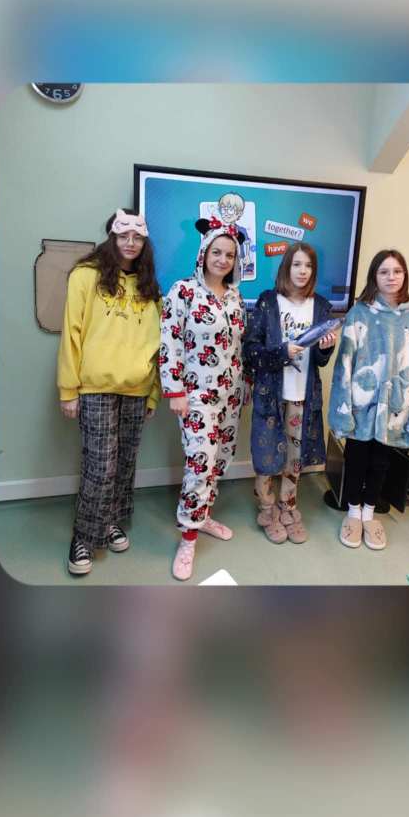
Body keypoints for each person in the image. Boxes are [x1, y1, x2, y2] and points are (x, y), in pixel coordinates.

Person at [58, 208, 162, 575]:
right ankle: (84, 536)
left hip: (137, 389)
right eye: (123, 235)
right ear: (112, 236)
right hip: (95, 387)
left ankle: (112, 520)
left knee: (125, 464)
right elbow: (71, 332)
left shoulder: (150, 287)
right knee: (100, 466)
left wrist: (153, 393)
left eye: (138, 237)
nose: (130, 242)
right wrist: (68, 390)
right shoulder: (86, 275)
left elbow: (157, 345)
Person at [328, 249, 409, 551]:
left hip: (396, 405)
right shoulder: (359, 313)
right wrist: (342, 408)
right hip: (362, 404)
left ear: (405, 275)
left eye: (397, 271)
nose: (391, 277)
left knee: (381, 461)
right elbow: (344, 365)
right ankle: (353, 512)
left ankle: (369, 512)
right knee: (357, 458)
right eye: (384, 272)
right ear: (374, 276)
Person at [160, 217, 247, 581]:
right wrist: (175, 391)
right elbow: (169, 343)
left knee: (219, 460)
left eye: (229, 254)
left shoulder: (235, 296)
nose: (223, 260)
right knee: (200, 463)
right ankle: (188, 538)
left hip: (230, 394)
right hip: (196, 396)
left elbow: (238, 346)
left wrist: (245, 385)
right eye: (217, 252)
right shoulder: (182, 291)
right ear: (204, 253)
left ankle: (204, 515)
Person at [244, 243, 337, 544]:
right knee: (267, 453)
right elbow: (251, 350)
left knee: (295, 457)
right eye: (297, 264)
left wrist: (326, 349)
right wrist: (281, 352)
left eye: (308, 266)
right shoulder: (268, 301)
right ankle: (266, 509)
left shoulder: (320, 306)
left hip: (302, 394)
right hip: (270, 394)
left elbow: (320, 360)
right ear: (287, 267)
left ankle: (288, 506)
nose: (302, 271)